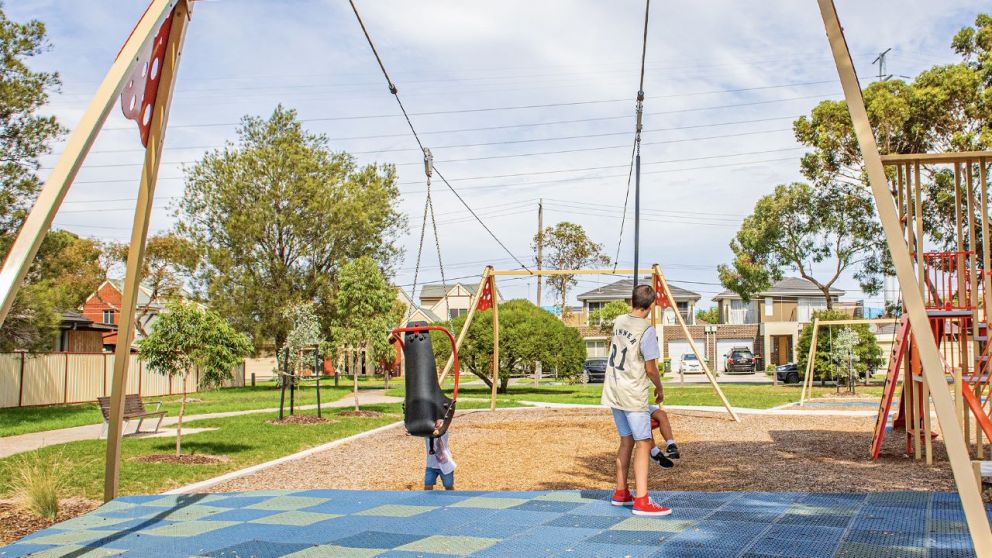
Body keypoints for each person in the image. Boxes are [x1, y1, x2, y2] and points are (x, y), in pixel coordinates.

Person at [602, 284, 672, 517]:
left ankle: (621, 493)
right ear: (651, 306)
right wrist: (660, 389)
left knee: (626, 441)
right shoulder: (647, 331)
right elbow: (650, 368)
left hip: (614, 390)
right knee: (643, 443)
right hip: (633, 394)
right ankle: (642, 500)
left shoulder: (619, 320)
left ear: (632, 301)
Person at [424, 421, 455, 491]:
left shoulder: (443, 426)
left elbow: (440, 431)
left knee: (449, 487)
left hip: (445, 464)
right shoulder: (426, 429)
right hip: (431, 465)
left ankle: (453, 499)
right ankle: (428, 501)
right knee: (427, 487)